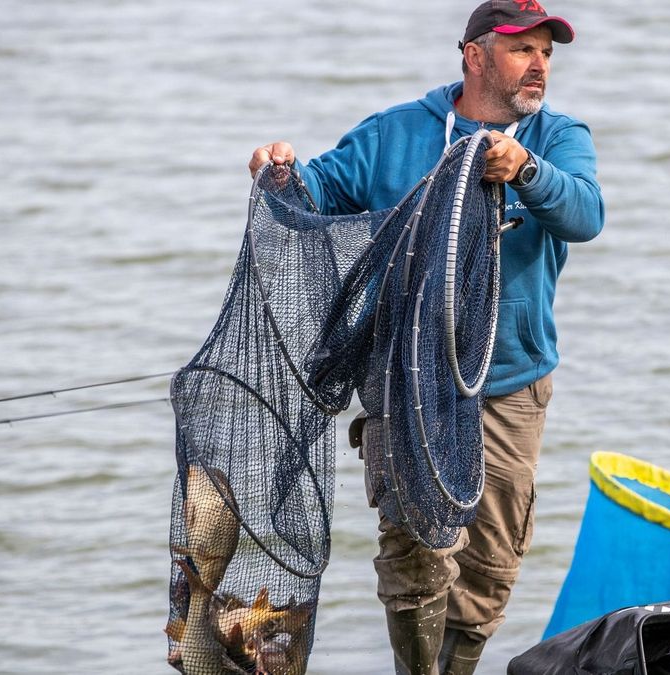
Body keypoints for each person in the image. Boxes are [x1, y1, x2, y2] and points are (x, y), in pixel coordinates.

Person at [248, 2, 603, 672]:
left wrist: (526, 169)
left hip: (510, 384)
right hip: (407, 382)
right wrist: (277, 166)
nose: (540, 66)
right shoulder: (396, 133)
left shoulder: (558, 138)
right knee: (417, 553)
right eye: (522, 50)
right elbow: (313, 193)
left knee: (488, 570)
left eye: (547, 53)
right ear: (474, 55)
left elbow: (586, 214)